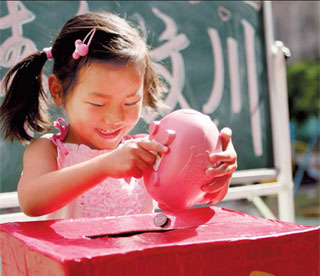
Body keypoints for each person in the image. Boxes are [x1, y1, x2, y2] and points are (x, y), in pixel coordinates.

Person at [0, 12, 237, 219]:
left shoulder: (147, 152)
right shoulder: (49, 150)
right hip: (76, 271)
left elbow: (183, 202)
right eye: (98, 104)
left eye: (131, 102)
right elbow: (31, 202)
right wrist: (104, 165)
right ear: (58, 91)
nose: (115, 118)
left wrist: (213, 178)